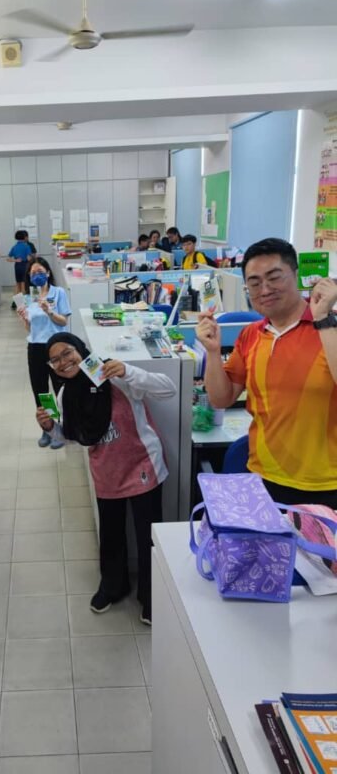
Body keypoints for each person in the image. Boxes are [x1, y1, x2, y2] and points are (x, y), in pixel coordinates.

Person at [36, 332, 176, 622]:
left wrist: (128, 371)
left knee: (148, 536)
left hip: (142, 466)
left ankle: (152, 594)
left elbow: (168, 389)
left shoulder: (111, 374)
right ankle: (113, 586)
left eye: (67, 352)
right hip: (106, 473)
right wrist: (50, 428)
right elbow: (72, 436)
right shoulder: (65, 395)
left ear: (81, 350)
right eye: (55, 359)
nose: (63, 362)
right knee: (111, 536)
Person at [196, 237, 337, 508]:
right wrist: (212, 352)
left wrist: (323, 319)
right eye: (254, 282)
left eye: (274, 277)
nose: (265, 289)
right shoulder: (250, 335)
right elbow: (221, 399)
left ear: (296, 274)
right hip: (263, 478)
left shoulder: (328, 327)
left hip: (326, 485)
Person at [17, 257, 72, 449]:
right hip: (35, 347)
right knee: (41, 391)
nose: (37, 275)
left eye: (40, 271)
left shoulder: (59, 293)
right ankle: (49, 427)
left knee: (59, 388)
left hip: (56, 347)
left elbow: (63, 321)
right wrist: (25, 319)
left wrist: (49, 311)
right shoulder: (29, 297)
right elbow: (30, 329)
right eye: (33, 273)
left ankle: (63, 428)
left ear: (48, 273)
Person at [7, 230, 34, 308]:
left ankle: (18, 304)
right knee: (24, 285)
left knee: (18, 285)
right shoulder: (26, 246)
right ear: (24, 237)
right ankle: (24, 305)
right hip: (25, 266)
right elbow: (28, 258)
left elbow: (8, 258)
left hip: (17, 266)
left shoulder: (14, 247)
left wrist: (15, 260)